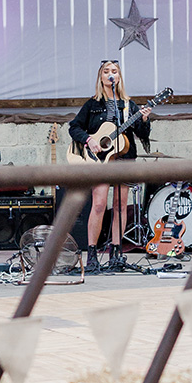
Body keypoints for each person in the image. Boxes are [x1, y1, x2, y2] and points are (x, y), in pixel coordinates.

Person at [68, 59, 151, 272]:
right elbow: (74, 127)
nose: (110, 74)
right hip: (101, 161)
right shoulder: (92, 104)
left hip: (125, 159)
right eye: (107, 71)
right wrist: (89, 140)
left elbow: (142, 135)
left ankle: (116, 252)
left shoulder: (129, 105)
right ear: (101, 77)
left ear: (119, 77)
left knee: (121, 207)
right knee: (98, 204)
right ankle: (93, 254)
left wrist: (143, 120)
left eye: (114, 71)